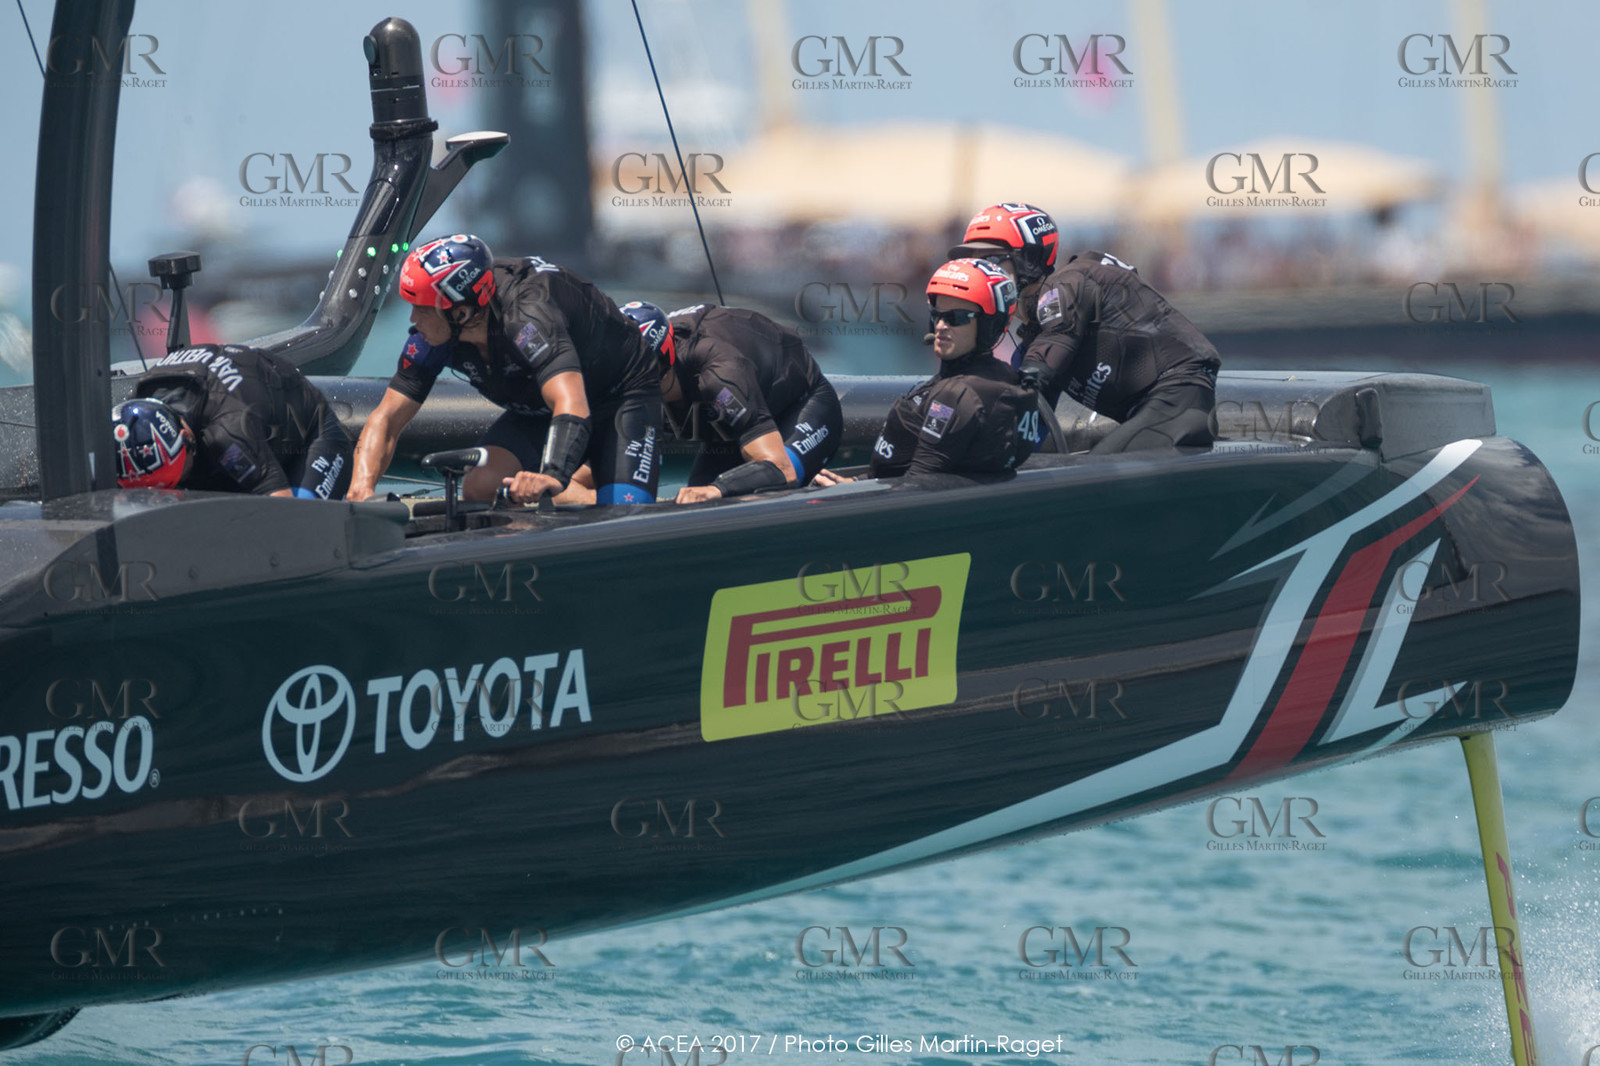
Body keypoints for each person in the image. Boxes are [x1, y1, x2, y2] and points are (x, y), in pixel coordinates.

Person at [346, 234, 660, 505]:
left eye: (423, 309)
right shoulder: (433, 339)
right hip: (539, 409)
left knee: (623, 509)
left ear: (461, 312)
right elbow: (386, 419)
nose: (413, 320)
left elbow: (572, 403)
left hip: (620, 397)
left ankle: (595, 496)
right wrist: (361, 490)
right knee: (480, 485)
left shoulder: (528, 317)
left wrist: (551, 477)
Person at [950, 202, 1220, 453]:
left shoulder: (1068, 284)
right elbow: (1031, 423)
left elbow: (1041, 365)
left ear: (1028, 260)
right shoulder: (1037, 332)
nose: (980, 271)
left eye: (991, 260)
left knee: (1096, 479)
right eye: (974, 263)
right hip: (1155, 409)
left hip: (1180, 397)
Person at [814, 258, 1041, 485]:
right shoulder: (1008, 381)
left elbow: (918, 488)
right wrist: (854, 484)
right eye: (937, 315)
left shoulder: (956, 395)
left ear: (987, 325)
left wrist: (855, 494)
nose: (942, 326)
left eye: (957, 318)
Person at [617, 300, 842, 504]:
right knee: (695, 499)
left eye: (637, 372)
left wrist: (717, 490)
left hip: (801, 405)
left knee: (744, 489)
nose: (628, 384)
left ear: (665, 359)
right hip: (729, 426)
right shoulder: (628, 387)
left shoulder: (717, 375)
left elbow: (781, 469)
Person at [112, 343, 352, 498]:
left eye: (177, 479)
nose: (176, 486)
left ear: (187, 437)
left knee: (303, 528)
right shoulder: (135, 411)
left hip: (310, 434)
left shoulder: (230, 434)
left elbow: (284, 511)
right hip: (240, 409)